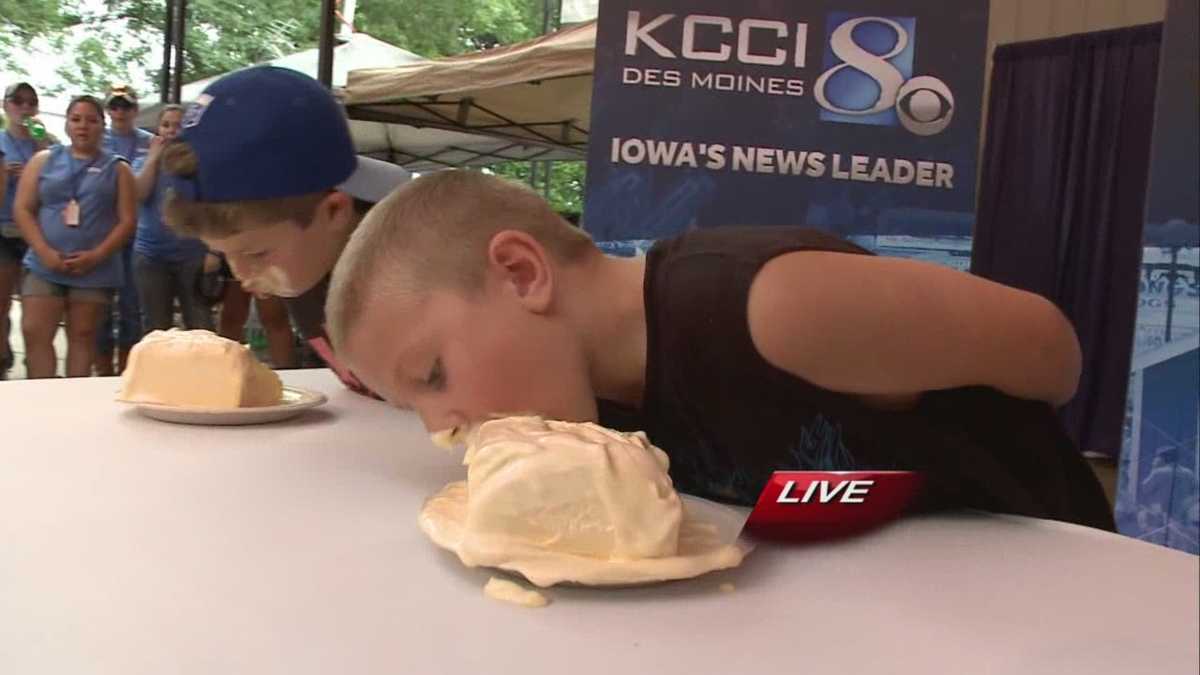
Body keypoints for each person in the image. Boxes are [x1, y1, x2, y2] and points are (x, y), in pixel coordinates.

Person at [324, 170, 1117, 531]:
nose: (442, 426)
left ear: (522, 272)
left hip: (1047, 582)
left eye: (433, 375)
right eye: (414, 404)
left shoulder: (770, 306)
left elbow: (1050, 348)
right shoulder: (596, 400)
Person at [160, 66, 410, 392]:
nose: (243, 276)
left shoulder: (412, 284)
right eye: (224, 255)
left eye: (256, 253)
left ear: (334, 212)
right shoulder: (307, 256)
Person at [13, 95, 136, 378]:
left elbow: (128, 221)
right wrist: (43, 250)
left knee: (83, 336)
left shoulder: (119, 169)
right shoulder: (43, 160)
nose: (83, 126)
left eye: (91, 120)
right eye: (76, 119)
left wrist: (97, 255)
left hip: (95, 269)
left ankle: (72, 404)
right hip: (45, 264)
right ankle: (41, 397)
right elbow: (23, 208)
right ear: (67, 124)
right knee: (35, 331)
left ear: (102, 126)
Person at [131, 104, 213, 333]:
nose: (171, 130)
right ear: (158, 129)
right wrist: (153, 158)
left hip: (192, 255)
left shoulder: (200, 163)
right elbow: (139, 193)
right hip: (151, 256)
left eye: (178, 125)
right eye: (166, 125)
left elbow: (211, 207)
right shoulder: (143, 161)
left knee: (201, 324)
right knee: (156, 329)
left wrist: (213, 251)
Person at [96, 84, 152, 375]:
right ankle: (102, 373)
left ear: (135, 109)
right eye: (114, 106)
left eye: (126, 106)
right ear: (107, 109)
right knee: (101, 306)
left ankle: (126, 373)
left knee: (132, 306)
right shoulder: (96, 139)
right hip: (103, 232)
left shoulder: (150, 142)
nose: (120, 111)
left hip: (138, 234)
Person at [1, 82, 54, 379]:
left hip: (37, 233)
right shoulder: (0, 141)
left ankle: (35, 368)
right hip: (4, 230)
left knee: (36, 309)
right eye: (17, 101)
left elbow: (60, 182)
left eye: (30, 102)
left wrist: (40, 151)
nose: (24, 107)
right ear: (5, 106)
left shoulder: (46, 143)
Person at [212, 254, 297, 368]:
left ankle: (287, 370)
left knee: (275, 320)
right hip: (234, 251)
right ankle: (225, 370)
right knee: (231, 320)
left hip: (265, 252)